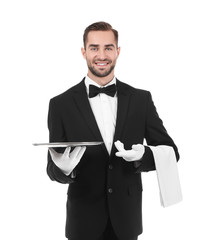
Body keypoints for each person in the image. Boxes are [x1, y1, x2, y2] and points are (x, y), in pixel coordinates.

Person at [47, 21, 180, 240]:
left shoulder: (141, 100)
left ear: (117, 52)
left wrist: (143, 156)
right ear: (83, 52)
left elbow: (171, 152)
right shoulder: (60, 105)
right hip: (83, 223)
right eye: (94, 48)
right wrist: (63, 169)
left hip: (127, 222)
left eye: (108, 48)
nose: (102, 55)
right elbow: (52, 168)